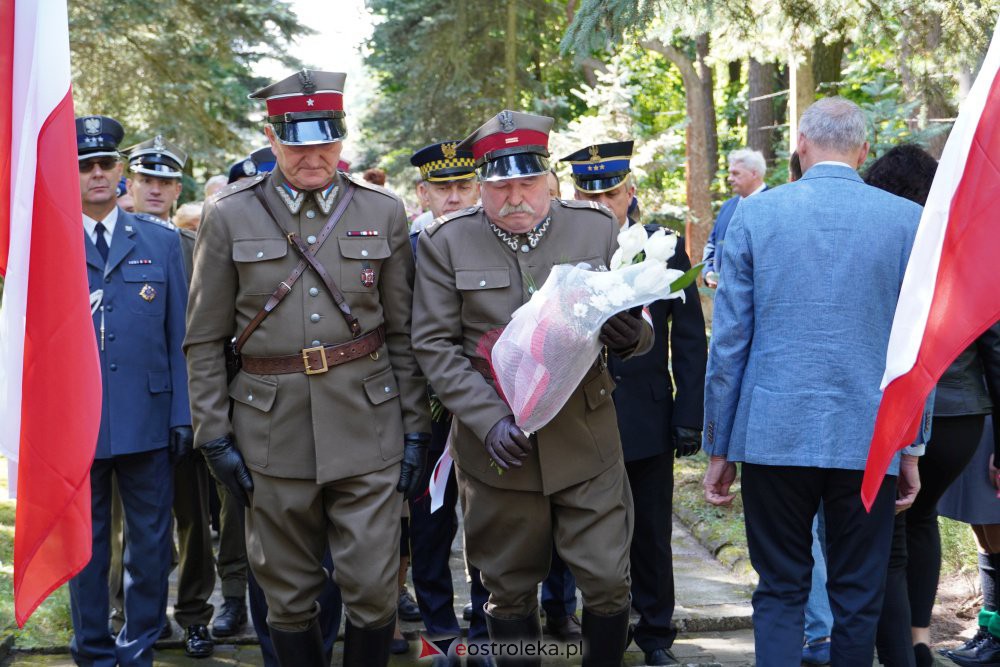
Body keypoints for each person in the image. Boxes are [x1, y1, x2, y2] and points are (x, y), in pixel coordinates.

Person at [184, 69, 431, 667]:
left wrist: (416, 425)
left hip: (368, 424)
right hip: (270, 430)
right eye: (297, 140)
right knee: (288, 595)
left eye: (326, 139)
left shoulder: (382, 211)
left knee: (373, 590)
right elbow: (204, 338)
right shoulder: (230, 216)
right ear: (272, 138)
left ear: (342, 140)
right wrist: (212, 434)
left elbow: (402, 331)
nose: (313, 154)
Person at [412, 110, 652, 667]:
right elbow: (434, 345)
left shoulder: (594, 227)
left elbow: (634, 324)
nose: (514, 197)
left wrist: (631, 335)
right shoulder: (449, 241)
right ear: (482, 186)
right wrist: (487, 418)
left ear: (549, 178)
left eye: (527, 182)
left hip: (584, 438)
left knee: (609, 580)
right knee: (507, 588)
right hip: (499, 446)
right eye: (500, 186)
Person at [701, 97, 925, 665]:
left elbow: (729, 343)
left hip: (774, 430)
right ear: (864, 150)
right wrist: (911, 446)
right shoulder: (907, 222)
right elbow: (916, 350)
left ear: (799, 146)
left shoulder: (756, 215)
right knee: (857, 592)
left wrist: (719, 446)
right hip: (869, 436)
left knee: (780, 587)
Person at [562, 140, 707, 665]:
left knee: (649, 530)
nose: (600, 203)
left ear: (631, 192)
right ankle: (603, 624)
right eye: (586, 192)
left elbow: (689, 338)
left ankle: (656, 632)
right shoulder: (563, 245)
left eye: (611, 192)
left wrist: (691, 415)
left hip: (646, 412)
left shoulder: (663, 244)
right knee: (588, 529)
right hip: (578, 415)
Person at [863, 146, 1000, 667]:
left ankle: (897, 651)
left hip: (900, 411)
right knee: (920, 522)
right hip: (961, 418)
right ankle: (919, 642)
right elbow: (994, 347)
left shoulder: (880, 244)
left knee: (890, 531)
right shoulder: (962, 248)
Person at [69, 114, 189, 667]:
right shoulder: (52, 245)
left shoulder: (161, 243)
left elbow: (179, 338)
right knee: (84, 548)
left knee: (149, 545)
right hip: (77, 422)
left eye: (104, 164)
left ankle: (138, 646)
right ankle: (92, 649)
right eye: (84, 166)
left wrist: (183, 414)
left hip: (149, 414)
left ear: (120, 171)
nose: (96, 174)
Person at [121, 136, 217, 659]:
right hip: (126, 409)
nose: (155, 190)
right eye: (146, 180)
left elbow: (201, 332)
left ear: (178, 189)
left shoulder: (191, 245)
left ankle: (195, 613)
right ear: (129, 184)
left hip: (181, 405)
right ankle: (131, 613)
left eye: (165, 182)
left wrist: (195, 410)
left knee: (192, 517)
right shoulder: (103, 239)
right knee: (124, 525)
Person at [406, 141, 494, 666]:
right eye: (445, 188)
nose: (456, 197)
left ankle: (487, 628)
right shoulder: (406, 245)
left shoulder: (496, 239)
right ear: (423, 193)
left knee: (490, 520)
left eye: (465, 186)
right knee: (430, 523)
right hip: (427, 407)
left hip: (490, 405)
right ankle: (439, 632)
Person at [939, 415, 1000, 667]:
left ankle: (997, 642)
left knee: (995, 530)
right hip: (979, 421)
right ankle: (989, 631)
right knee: (983, 535)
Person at [701, 148, 767, 288]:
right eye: (730, 173)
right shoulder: (727, 207)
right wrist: (708, 272)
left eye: (736, 173)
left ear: (754, 173)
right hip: (723, 294)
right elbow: (713, 243)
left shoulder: (774, 203)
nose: (730, 178)